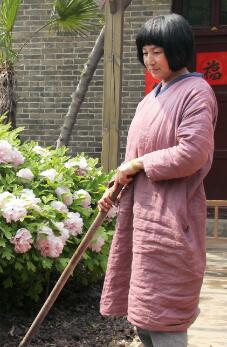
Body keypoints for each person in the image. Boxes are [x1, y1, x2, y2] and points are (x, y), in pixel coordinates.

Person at [97, 14, 218, 347]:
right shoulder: (149, 99)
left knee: (166, 319)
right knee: (145, 318)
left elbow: (192, 153)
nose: (149, 60)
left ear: (177, 50)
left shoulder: (196, 92)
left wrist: (137, 163)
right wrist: (115, 188)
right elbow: (132, 162)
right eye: (145, 52)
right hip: (140, 223)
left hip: (170, 223)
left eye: (157, 52)